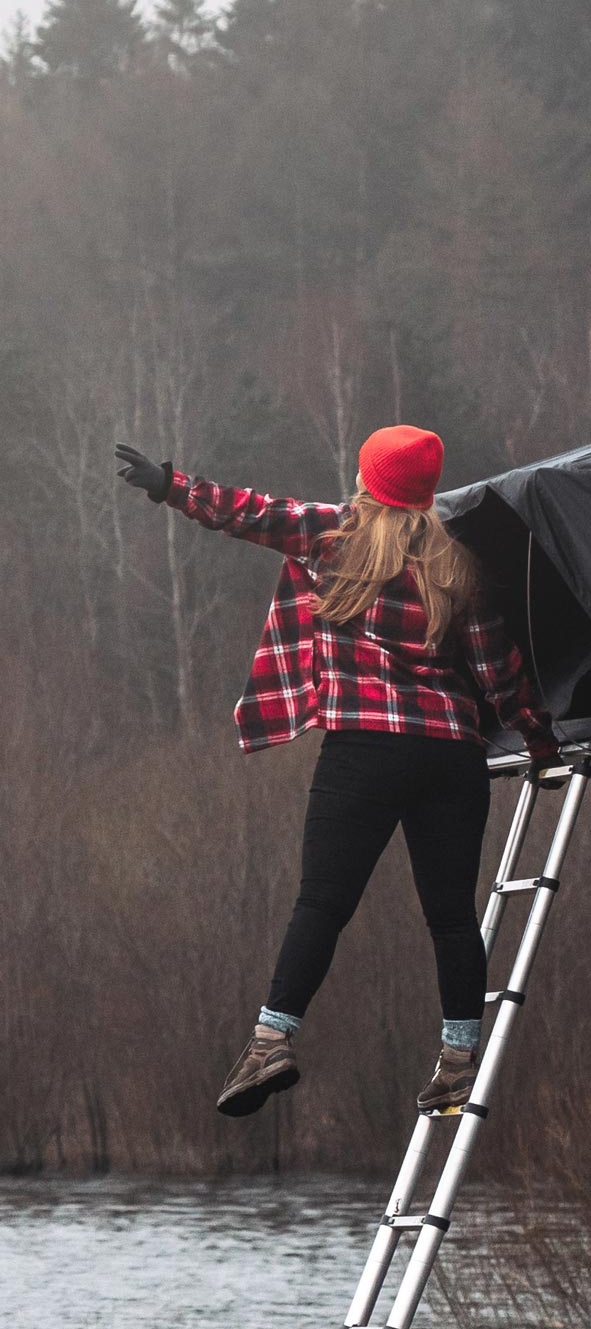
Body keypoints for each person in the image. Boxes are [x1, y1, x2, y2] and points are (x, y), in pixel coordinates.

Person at [114, 424, 560, 1122]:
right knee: (451, 916)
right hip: (451, 754)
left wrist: (172, 486)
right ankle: (458, 1062)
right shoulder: (456, 565)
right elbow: (499, 672)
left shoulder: (334, 537)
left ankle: (270, 1043)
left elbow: (249, 512)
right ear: (426, 489)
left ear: (369, 479)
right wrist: (541, 744)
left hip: (364, 750)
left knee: (322, 903)